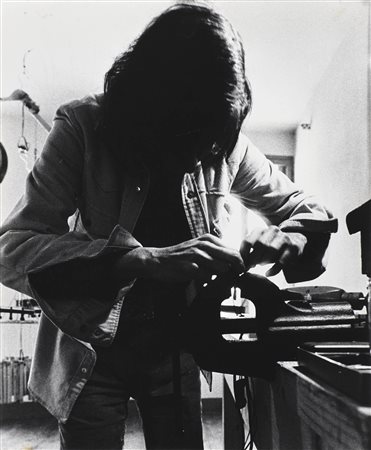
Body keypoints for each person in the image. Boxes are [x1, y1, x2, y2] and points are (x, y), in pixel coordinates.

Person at [0, 2, 337, 449]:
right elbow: (13, 248)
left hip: (177, 350)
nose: (199, 158)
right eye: (186, 137)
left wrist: (285, 236)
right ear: (151, 106)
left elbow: (304, 207)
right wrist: (141, 260)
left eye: (210, 142)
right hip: (90, 352)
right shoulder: (83, 126)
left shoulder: (222, 142)